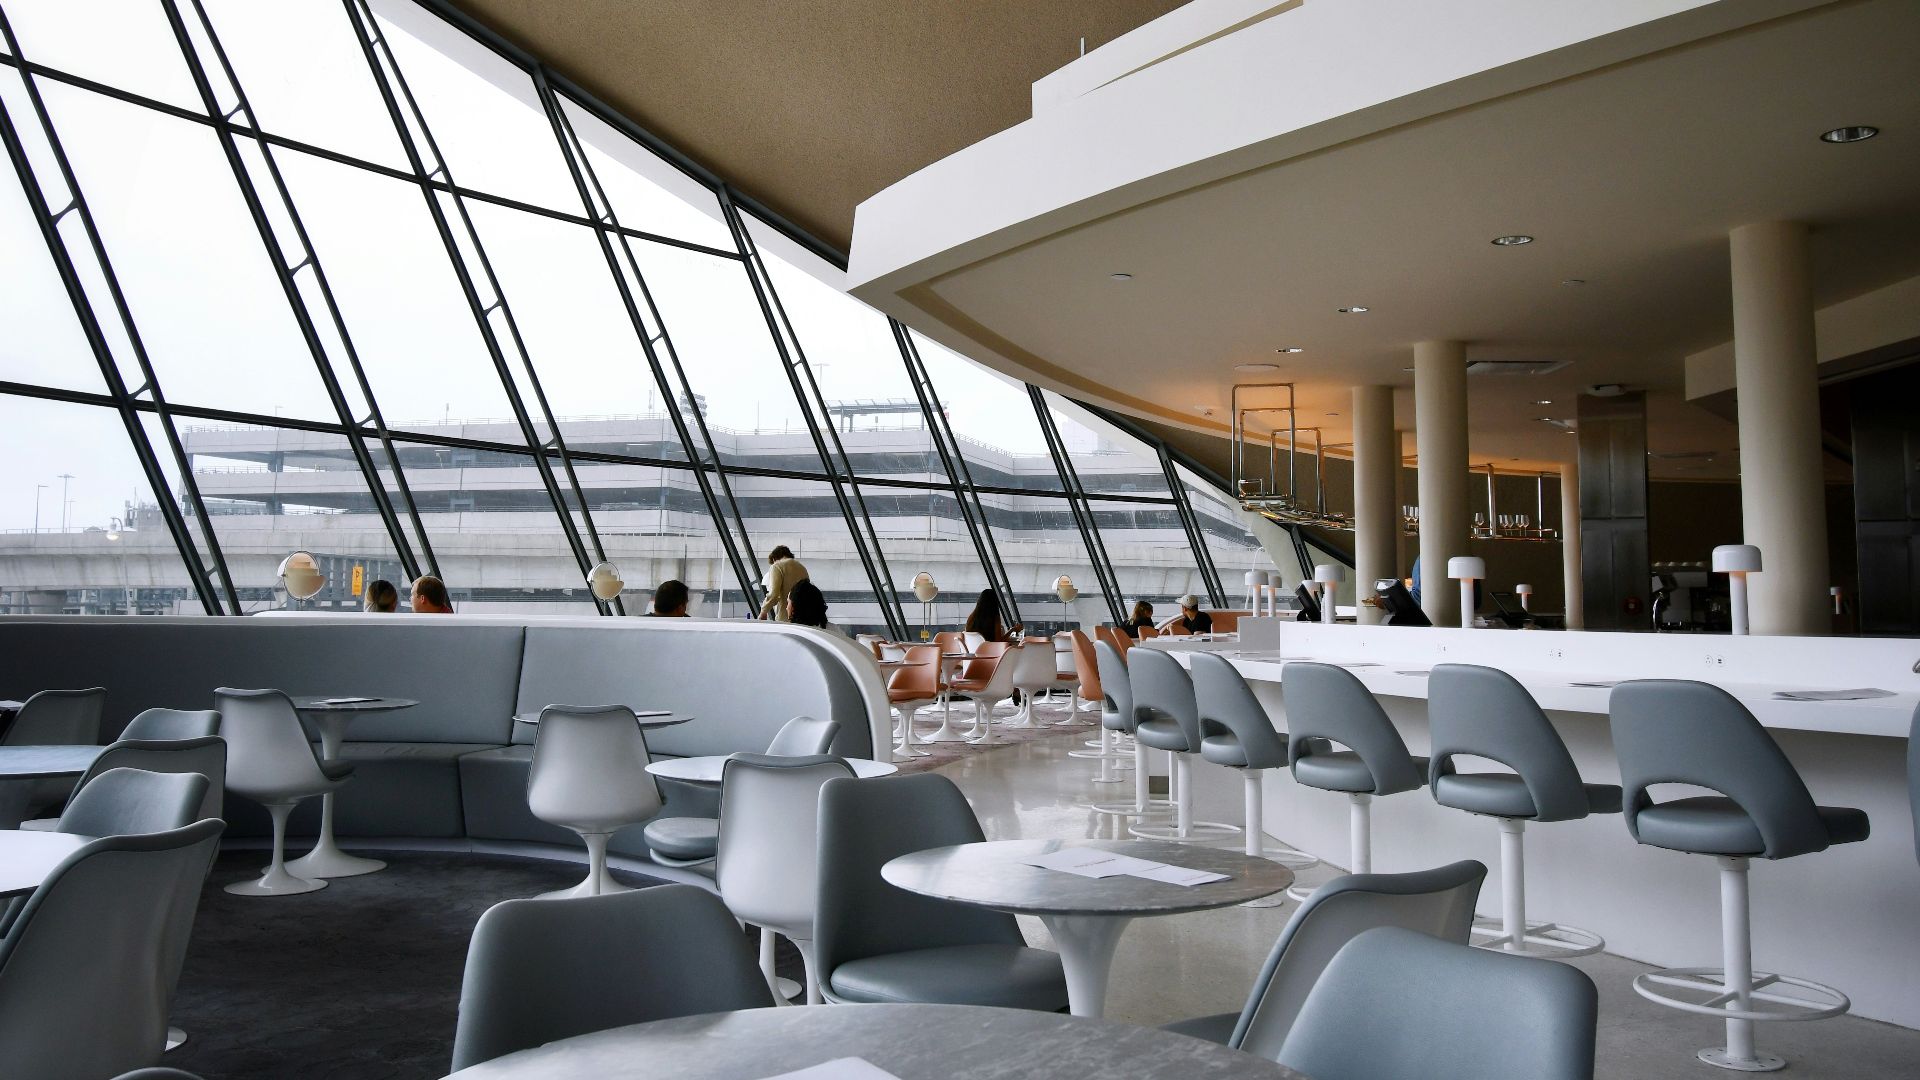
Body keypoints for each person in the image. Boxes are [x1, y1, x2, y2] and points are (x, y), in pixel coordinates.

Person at [758, 545, 810, 621]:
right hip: (803, 618)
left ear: (774, 558)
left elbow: (773, 595)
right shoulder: (802, 568)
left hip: (785, 618)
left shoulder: (777, 566)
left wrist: (763, 612)